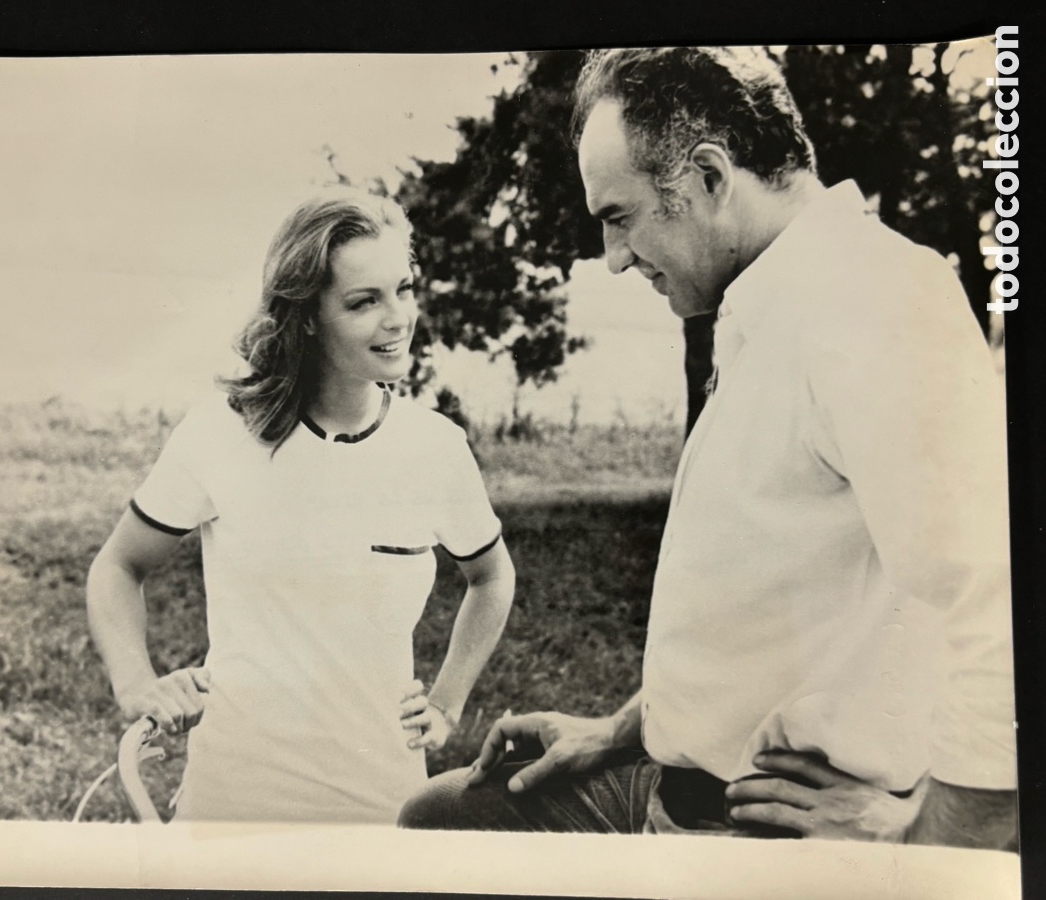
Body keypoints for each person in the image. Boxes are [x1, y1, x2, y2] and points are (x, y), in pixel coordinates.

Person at [399, 46, 1017, 849]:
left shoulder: (871, 299)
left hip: (763, 833)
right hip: (675, 782)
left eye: (618, 217)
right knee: (437, 819)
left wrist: (919, 850)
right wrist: (620, 731)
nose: (614, 258)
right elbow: (760, 608)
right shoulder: (778, 298)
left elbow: (1002, 604)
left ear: (709, 176)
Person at [87, 188, 515, 824]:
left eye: (404, 289)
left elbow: (492, 576)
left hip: (381, 800)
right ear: (308, 315)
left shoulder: (436, 448)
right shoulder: (221, 433)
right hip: (232, 801)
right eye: (364, 301)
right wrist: (135, 683)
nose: (398, 318)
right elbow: (118, 567)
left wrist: (447, 703)